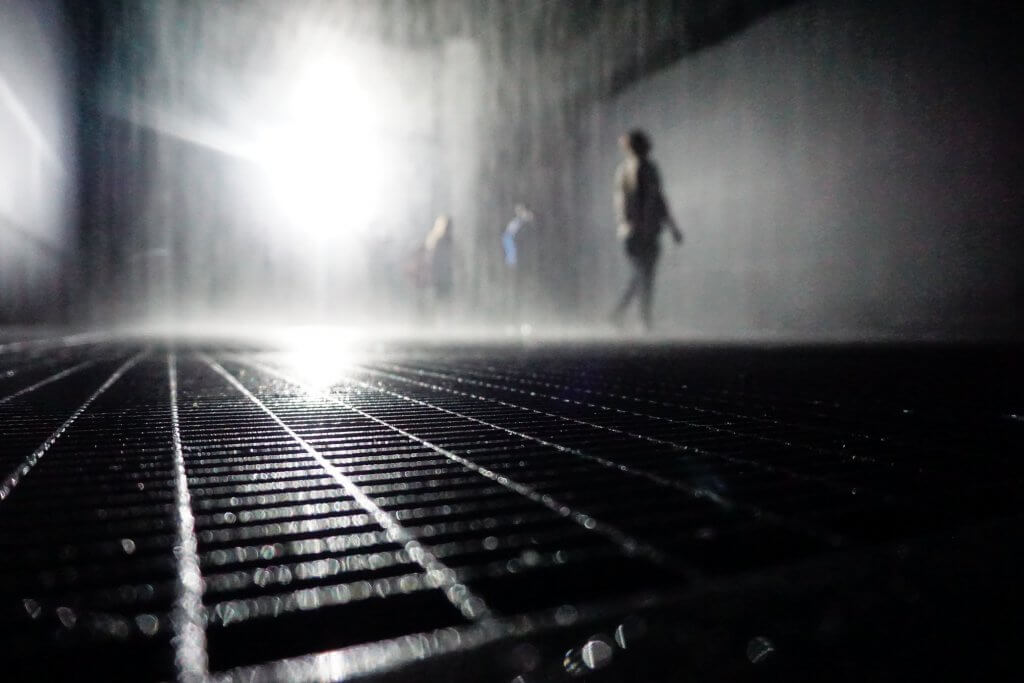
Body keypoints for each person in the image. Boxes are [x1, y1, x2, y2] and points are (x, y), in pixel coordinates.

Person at [610, 129, 683, 331]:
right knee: (644, 275)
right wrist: (671, 227)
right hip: (642, 231)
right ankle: (641, 318)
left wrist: (629, 223)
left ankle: (629, 315)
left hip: (637, 231)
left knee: (642, 274)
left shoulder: (628, 170)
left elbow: (650, 200)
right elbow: (657, 200)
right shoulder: (642, 169)